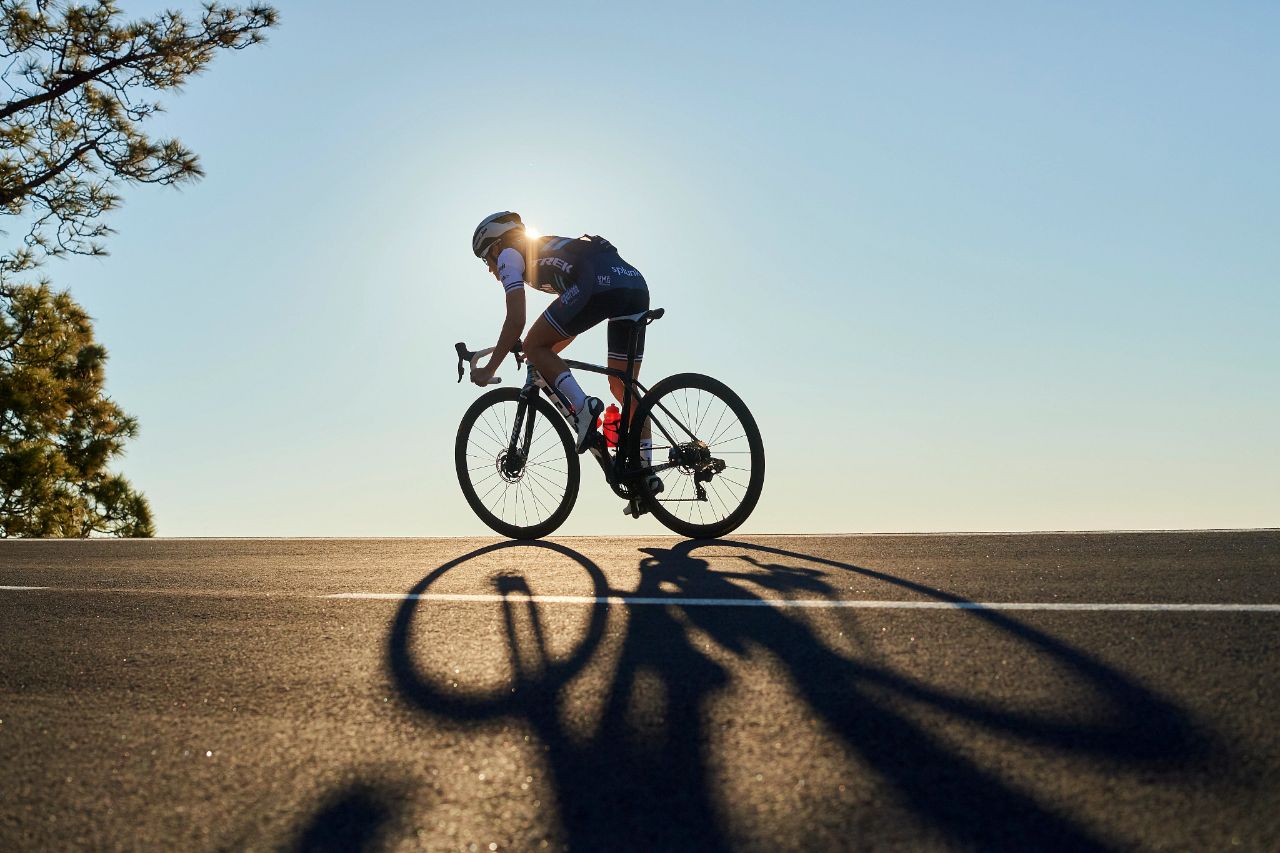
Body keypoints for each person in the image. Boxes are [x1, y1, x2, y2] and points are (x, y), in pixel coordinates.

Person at [470, 211, 661, 497]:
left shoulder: (509, 255)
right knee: (623, 387)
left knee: (535, 345)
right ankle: (644, 474)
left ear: (496, 246)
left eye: (486, 260)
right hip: (631, 283)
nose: (490, 269)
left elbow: (515, 321)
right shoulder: (539, 249)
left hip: (595, 282)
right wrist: (539, 354)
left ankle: (584, 410)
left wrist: (490, 368)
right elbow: (569, 323)